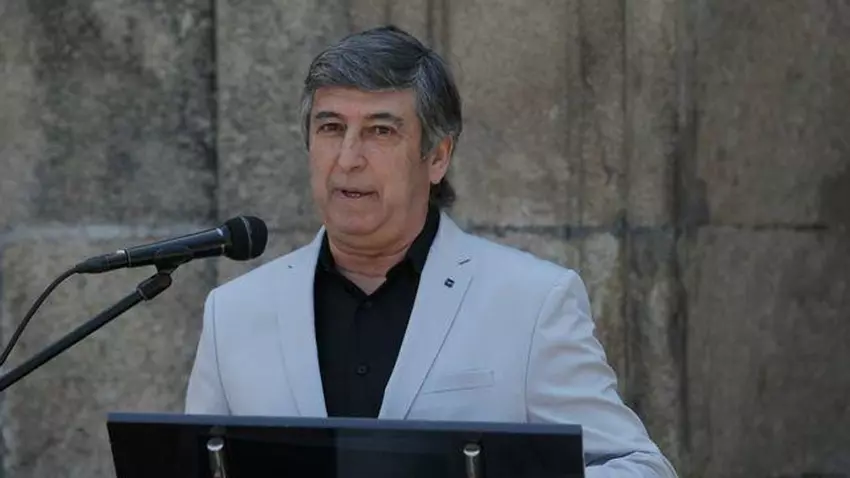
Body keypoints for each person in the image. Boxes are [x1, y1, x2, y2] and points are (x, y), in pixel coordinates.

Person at [185, 25, 677, 478]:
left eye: (380, 131)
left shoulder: (531, 302)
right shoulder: (234, 313)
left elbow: (640, 467)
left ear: (438, 156)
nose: (348, 158)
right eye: (331, 128)